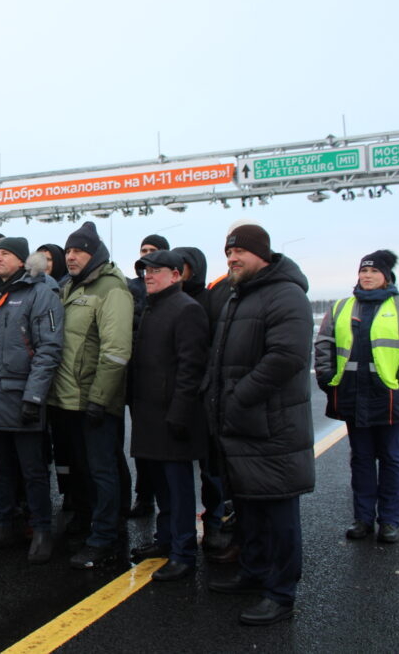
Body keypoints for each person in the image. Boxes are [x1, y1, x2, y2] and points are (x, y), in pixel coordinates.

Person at [204, 223, 315, 626]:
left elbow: (287, 357)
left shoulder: (286, 294)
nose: (232, 259)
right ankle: (253, 572)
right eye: (228, 253)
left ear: (262, 255)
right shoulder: (240, 296)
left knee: (279, 514)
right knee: (248, 507)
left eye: (240, 253)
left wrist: (239, 396)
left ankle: (281, 593)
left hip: (273, 426)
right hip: (242, 425)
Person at [314, 250, 399, 543]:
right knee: (361, 459)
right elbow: (324, 344)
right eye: (363, 271)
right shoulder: (341, 307)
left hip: (390, 397)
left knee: (392, 459)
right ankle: (363, 519)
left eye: (374, 271)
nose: (367, 276)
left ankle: (390, 521)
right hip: (353, 395)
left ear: (387, 276)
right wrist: (327, 378)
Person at [0, 237, 64, 564]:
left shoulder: (41, 294)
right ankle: (2, 524)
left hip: (22, 398)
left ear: (22, 260)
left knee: (33, 470)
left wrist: (34, 395)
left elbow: (48, 350)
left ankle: (42, 529)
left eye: (3, 254)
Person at [46, 222, 133, 569]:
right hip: (66, 399)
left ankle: (105, 538)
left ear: (95, 254)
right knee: (81, 469)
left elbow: (116, 349)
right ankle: (88, 523)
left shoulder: (111, 289)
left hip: (93, 399)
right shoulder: (68, 288)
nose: (71, 256)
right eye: (68, 251)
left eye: (79, 251)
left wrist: (100, 398)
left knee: (102, 470)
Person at [128, 250, 209, 581]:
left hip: (172, 416)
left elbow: (192, 368)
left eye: (156, 270)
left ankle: (184, 552)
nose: (148, 275)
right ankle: (165, 540)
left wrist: (179, 413)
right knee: (160, 484)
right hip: (149, 413)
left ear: (176, 275)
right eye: (146, 271)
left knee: (178, 488)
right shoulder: (152, 307)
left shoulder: (187, 309)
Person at [171, 246, 228, 555]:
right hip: (176, 396)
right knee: (176, 469)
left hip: (204, 397)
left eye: (183, 266)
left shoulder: (210, 301)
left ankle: (214, 522)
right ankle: (175, 531)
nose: (177, 272)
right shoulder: (166, 300)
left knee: (210, 469)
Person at [126, 234, 169, 518]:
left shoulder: (171, 291)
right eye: (144, 250)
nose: (147, 254)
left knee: (163, 446)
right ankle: (144, 497)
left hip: (162, 379)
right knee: (141, 443)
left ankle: (166, 503)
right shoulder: (131, 288)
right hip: (136, 375)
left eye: (153, 250)